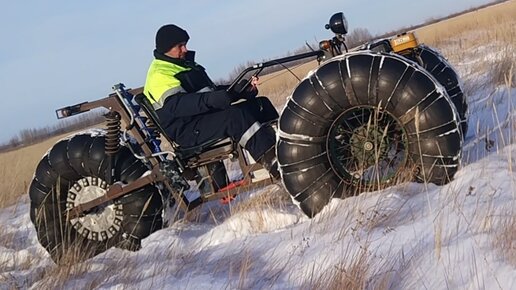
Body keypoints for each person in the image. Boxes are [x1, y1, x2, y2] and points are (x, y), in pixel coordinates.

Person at [143, 24, 279, 178]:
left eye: (185, 45)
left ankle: (287, 147)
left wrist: (240, 90)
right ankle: (276, 165)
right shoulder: (158, 74)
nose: (185, 50)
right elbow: (180, 105)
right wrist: (215, 99)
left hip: (204, 117)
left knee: (261, 105)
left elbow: (211, 91)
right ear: (166, 48)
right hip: (187, 130)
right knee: (236, 117)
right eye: (180, 46)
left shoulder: (186, 65)